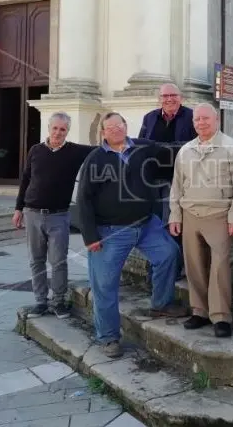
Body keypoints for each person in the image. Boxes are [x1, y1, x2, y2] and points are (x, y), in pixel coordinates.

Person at [77, 112, 186, 358]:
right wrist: (90, 235)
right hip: (109, 231)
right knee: (104, 285)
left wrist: (201, 141)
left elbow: (171, 150)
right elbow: (83, 198)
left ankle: (161, 303)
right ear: (103, 133)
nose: (115, 129)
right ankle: (108, 337)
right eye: (110, 127)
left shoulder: (143, 148)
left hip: (147, 225)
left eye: (119, 125)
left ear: (127, 126)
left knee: (169, 253)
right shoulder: (95, 159)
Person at [169, 103, 233, 338]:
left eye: (205, 119)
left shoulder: (232, 148)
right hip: (190, 214)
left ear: (216, 121)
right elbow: (176, 186)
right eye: (196, 120)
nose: (200, 123)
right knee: (193, 265)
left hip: (220, 215)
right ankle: (199, 311)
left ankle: (221, 316)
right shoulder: (185, 150)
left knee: (220, 267)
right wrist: (175, 215)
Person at [12, 112, 95, 320]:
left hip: (59, 216)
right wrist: (18, 208)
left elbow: (102, 150)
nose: (58, 132)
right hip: (32, 214)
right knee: (36, 260)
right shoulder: (35, 150)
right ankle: (41, 301)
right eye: (55, 128)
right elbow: (25, 179)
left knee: (58, 261)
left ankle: (58, 301)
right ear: (49, 128)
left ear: (67, 131)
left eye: (63, 129)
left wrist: (117, 135)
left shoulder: (75, 151)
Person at [138, 83, 197, 225]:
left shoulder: (192, 116)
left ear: (180, 98)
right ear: (160, 99)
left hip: (177, 177)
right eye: (165, 96)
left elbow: (195, 145)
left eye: (173, 95)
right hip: (152, 177)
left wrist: (159, 148)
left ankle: (173, 246)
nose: (169, 99)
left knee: (172, 218)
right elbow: (141, 144)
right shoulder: (149, 117)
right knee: (154, 216)